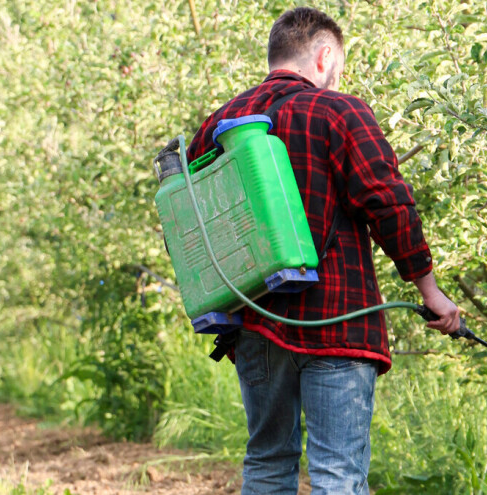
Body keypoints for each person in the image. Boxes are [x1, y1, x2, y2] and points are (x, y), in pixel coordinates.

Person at [186, 7, 461, 495]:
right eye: (339, 66)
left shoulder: (217, 125)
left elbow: (190, 228)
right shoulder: (339, 111)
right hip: (338, 318)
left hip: (254, 321)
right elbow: (388, 202)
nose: (338, 78)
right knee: (338, 473)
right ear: (324, 55)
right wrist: (430, 290)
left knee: (268, 462)